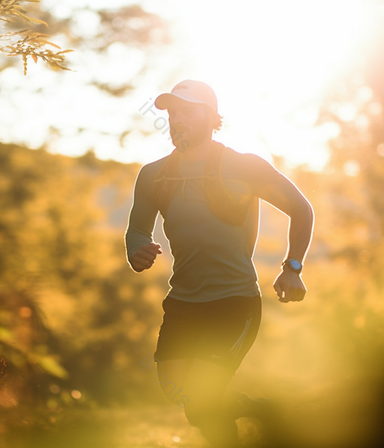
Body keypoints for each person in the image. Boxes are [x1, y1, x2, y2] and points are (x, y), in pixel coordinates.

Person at [125, 79, 314, 446]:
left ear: (212, 119)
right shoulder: (154, 175)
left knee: (205, 394)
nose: (177, 119)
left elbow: (301, 209)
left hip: (234, 301)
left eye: (188, 111)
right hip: (183, 302)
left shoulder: (244, 167)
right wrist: (137, 250)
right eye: (173, 112)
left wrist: (292, 267)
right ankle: (259, 409)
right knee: (184, 395)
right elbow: (137, 231)